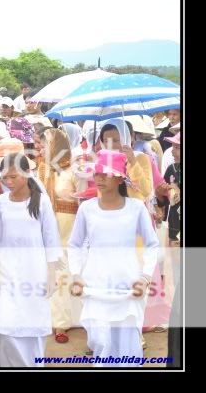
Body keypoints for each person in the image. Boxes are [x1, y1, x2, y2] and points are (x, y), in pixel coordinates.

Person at [68, 150, 159, 367]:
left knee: (127, 344)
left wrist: (145, 277)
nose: (98, 178)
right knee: (100, 342)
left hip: (127, 285)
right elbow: (74, 244)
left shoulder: (136, 208)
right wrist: (76, 274)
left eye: (105, 174)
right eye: (96, 173)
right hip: (95, 286)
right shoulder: (87, 209)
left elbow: (152, 245)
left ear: (119, 177)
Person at [0, 152, 61, 367]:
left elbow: (51, 240)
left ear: (27, 174)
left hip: (34, 272)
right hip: (7, 272)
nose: (9, 182)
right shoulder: (1, 202)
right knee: (5, 326)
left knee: (32, 326)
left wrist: (51, 275)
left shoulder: (42, 202)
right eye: (5, 178)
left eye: (14, 177)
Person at [36, 128, 82, 345]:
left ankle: (82, 320)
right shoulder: (42, 169)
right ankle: (60, 324)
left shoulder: (74, 168)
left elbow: (83, 198)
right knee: (58, 276)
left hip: (71, 229)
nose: (42, 147)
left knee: (75, 274)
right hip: (49, 229)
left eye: (46, 144)